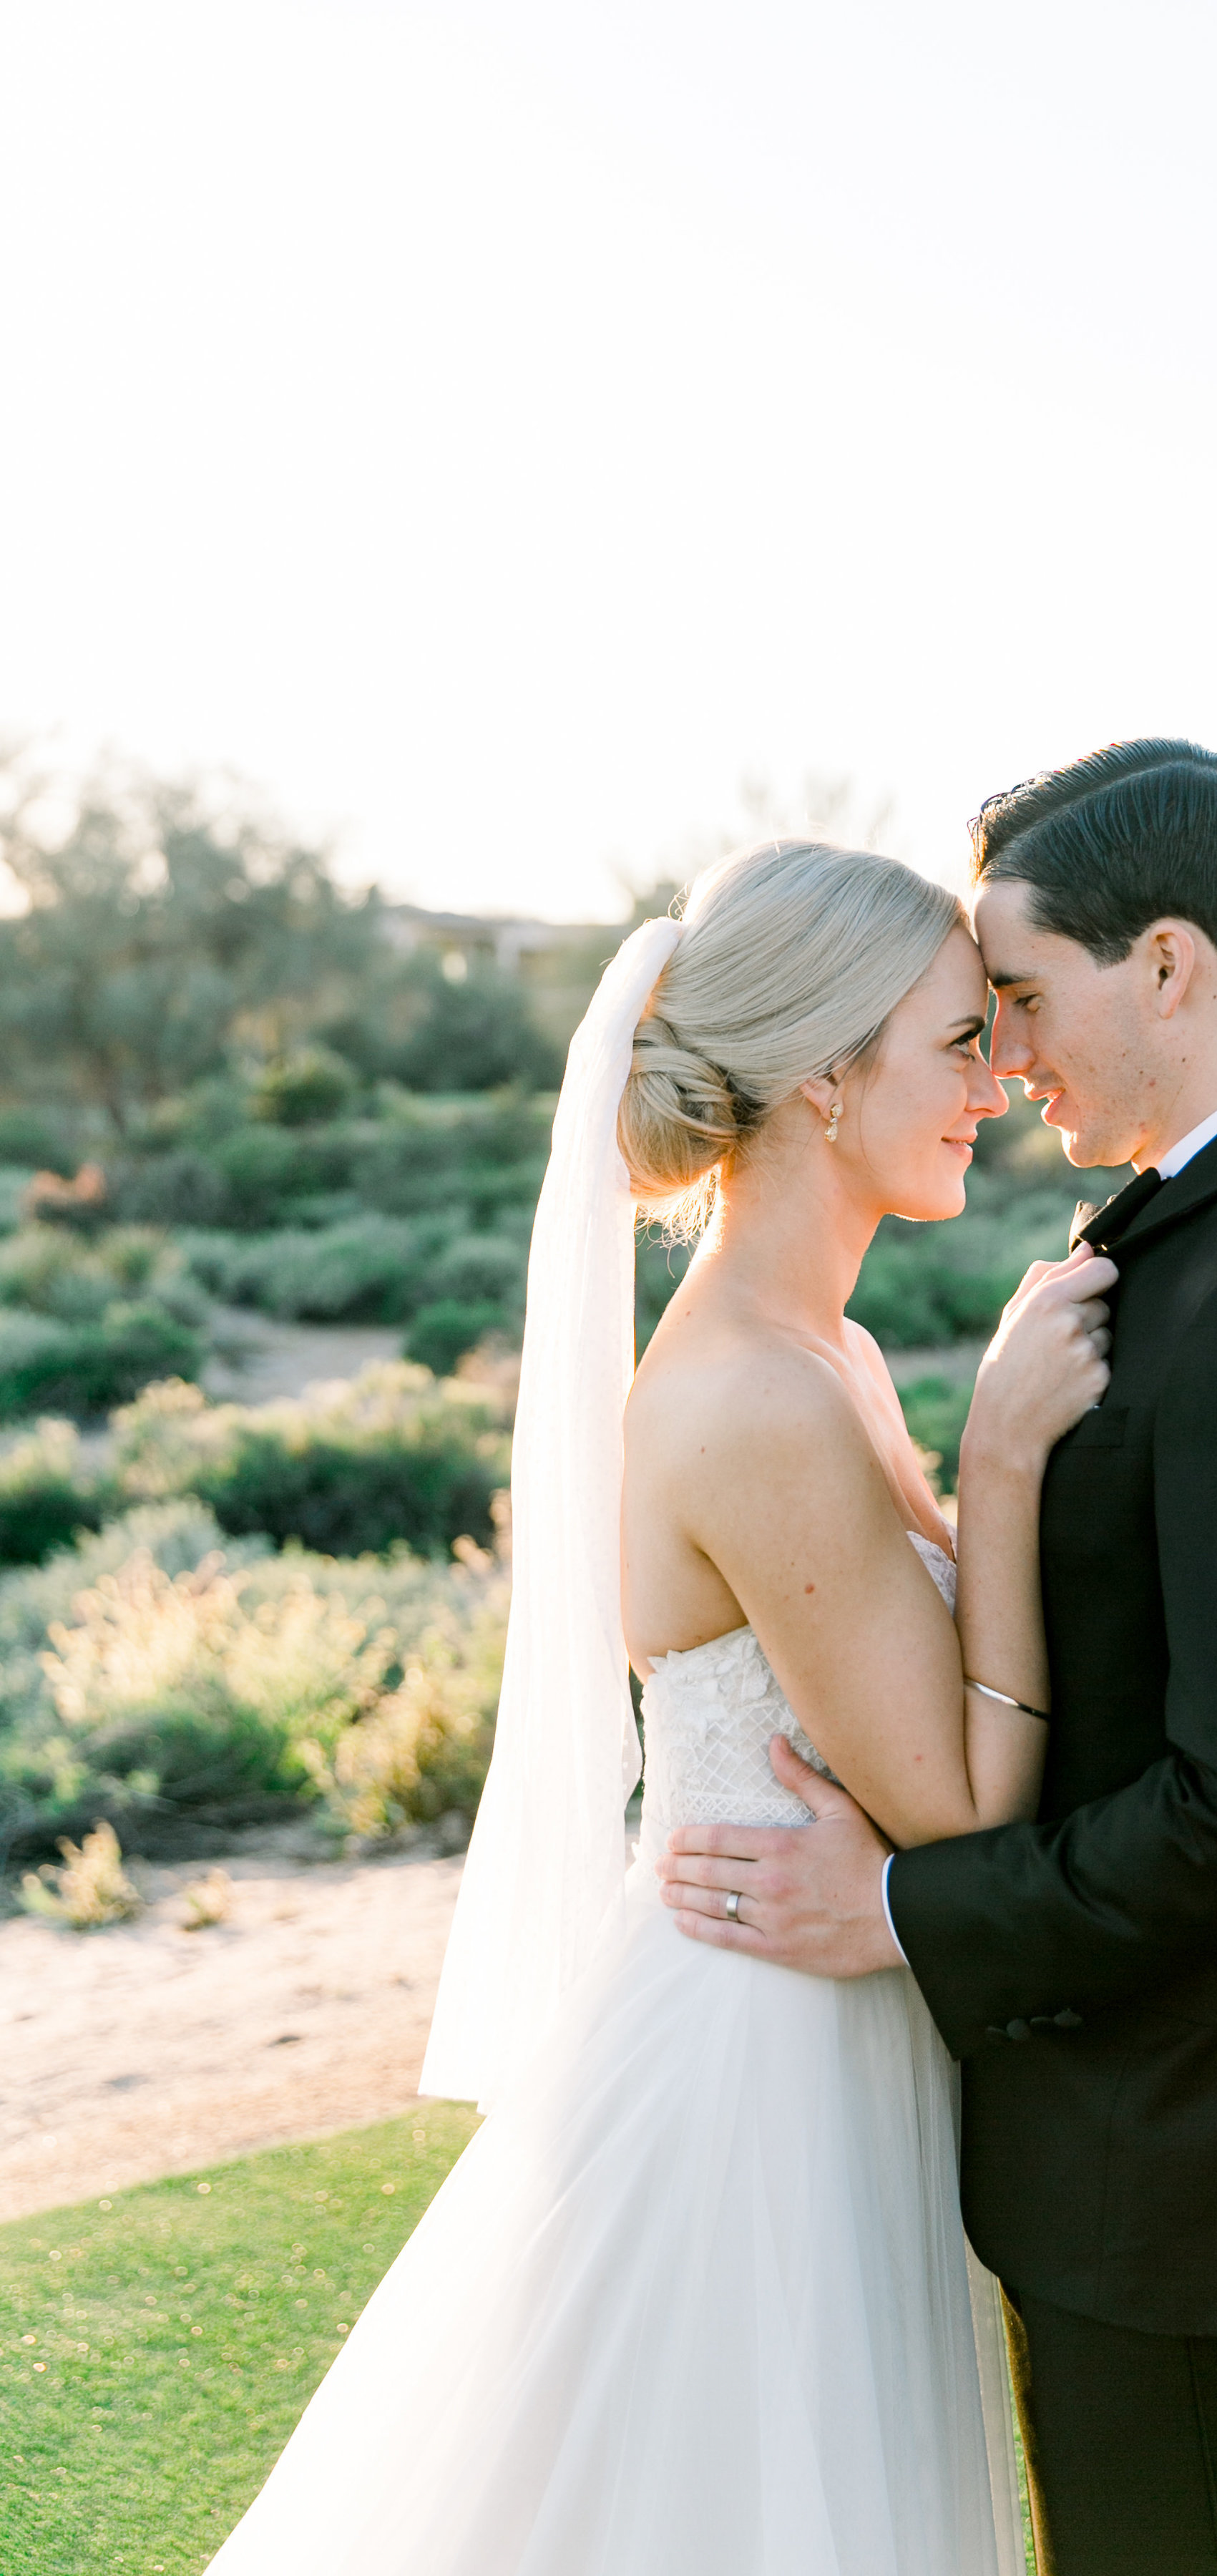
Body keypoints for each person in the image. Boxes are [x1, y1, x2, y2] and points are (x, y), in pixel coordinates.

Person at [205, 837, 1115, 2576]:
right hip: (752, 2071)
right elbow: (962, 1811)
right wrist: (1000, 1461)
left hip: (827, 2020)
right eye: (954, 1043)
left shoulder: (826, 1357)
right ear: (829, 1077)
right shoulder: (756, 1396)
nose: (994, 1085)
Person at [660, 741, 1217, 2576]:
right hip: (1112, 2154)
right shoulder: (1186, 1237)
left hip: (1199, 2174)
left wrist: (913, 1913)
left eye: (1019, 997)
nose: (1003, 1060)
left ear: (1168, 967)